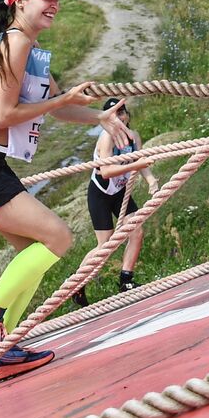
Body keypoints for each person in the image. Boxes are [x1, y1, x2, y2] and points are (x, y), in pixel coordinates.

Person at [0, 0, 130, 381]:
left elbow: (58, 106)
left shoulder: (27, 47)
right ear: (20, 2)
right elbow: (7, 115)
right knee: (59, 237)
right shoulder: (16, 41)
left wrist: (99, 116)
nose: (54, 4)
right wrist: (62, 97)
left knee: (32, 250)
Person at [71, 97, 159, 308]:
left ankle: (126, 280)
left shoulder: (133, 136)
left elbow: (140, 162)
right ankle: (76, 284)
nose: (119, 118)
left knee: (136, 231)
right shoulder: (106, 138)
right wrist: (135, 165)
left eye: (122, 112)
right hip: (100, 193)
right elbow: (107, 171)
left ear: (127, 115)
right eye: (114, 115)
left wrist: (151, 180)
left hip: (120, 192)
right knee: (105, 245)